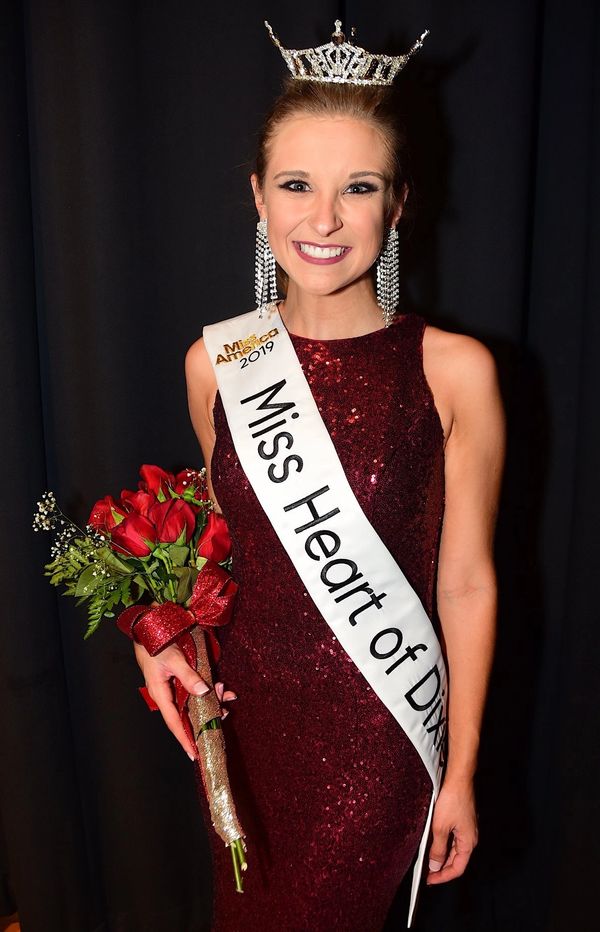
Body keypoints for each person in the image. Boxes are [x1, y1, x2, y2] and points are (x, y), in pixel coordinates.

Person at [133, 21, 505, 932]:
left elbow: (465, 582)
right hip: (247, 726)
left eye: (359, 188)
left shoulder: (454, 370)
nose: (325, 218)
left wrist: (459, 775)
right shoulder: (218, 363)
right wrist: (160, 634)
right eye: (297, 185)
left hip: (382, 729)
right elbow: (218, 549)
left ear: (400, 203)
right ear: (258, 198)